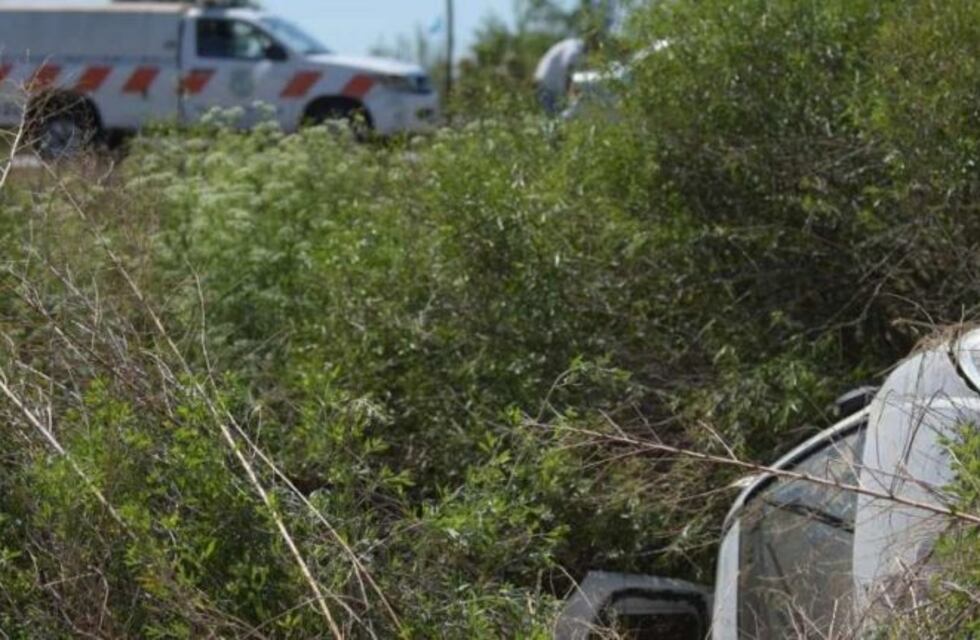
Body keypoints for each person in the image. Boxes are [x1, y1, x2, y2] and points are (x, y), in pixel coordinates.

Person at [533, 37, 585, 116]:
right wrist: (571, 95)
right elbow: (569, 70)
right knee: (554, 120)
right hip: (547, 86)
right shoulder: (575, 49)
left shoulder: (573, 45)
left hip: (546, 83)